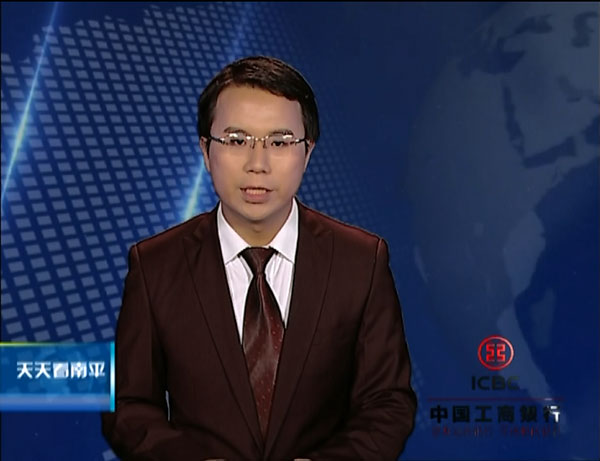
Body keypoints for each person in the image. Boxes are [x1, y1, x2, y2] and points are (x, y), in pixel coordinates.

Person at [101, 56, 416, 460]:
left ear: (307, 152)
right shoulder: (155, 265)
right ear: (205, 150)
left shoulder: (361, 261)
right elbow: (127, 405)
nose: (257, 164)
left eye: (279, 142)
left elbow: (388, 403)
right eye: (236, 141)